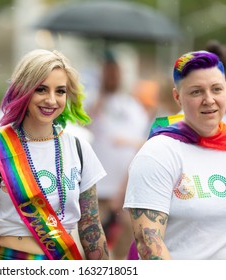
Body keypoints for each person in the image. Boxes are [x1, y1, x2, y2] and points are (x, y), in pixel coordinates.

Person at [0, 49, 109, 260]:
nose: (51, 100)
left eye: (60, 91)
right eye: (41, 89)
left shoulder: (79, 148)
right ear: (24, 90)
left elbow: (90, 225)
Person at [123, 50, 226, 260]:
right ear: (178, 97)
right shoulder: (158, 153)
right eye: (196, 92)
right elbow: (149, 245)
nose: (209, 100)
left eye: (216, 89)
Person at [86, 51, 150, 259]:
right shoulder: (93, 103)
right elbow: (83, 126)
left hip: (126, 192)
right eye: (108, 73)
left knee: (125, 245)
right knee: (96, 246)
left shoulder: (133, 106)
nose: (112, 77)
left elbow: (145, 140)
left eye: (115, 72)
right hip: (98, 190)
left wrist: (129, 142)